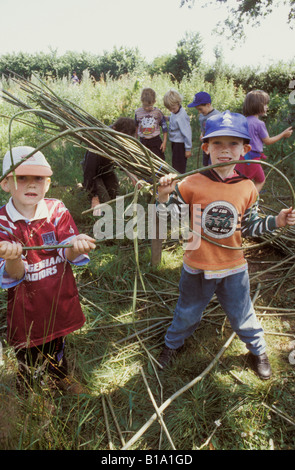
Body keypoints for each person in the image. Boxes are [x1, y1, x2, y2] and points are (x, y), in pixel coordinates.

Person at [156, 111, 295, 380]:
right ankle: (172, 345)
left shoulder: (247, 188)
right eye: (217, 144)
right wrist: (163, 197)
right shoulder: (190, 184)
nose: (224, 150)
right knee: (187, 312)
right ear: (206, 148)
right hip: (197, 266)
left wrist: (276, 221)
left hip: (233, 267)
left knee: (242, 313)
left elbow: (250, 226)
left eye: (233, 144)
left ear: (245, 149)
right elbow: (168, 221)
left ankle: (257, 349)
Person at [0, 146, 96, 393]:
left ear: (48, 184)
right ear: (5, 183)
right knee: (29, 352)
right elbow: (15, 275)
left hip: (58, 299)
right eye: (22, 178)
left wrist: (77, 245)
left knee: (58, 341)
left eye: (38, 178)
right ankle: (33, 392)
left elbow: (67, 251)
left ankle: (60, 376)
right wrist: (13, 258)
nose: (31, 185)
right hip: (27, 308)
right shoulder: (3, 223)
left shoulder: (57, 210)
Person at [235, 90, 293, 192]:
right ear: (257, 105)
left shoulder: (242, 121)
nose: (267, 107)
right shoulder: (259, 123)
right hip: (253, 159)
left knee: (240, 180)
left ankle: (243, 199)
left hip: (241, 157)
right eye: (265, 104)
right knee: (260, 180)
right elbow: (268, 141)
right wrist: (283, 134)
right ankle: (250, 199)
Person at [82, 117, 137, 214]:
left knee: (116, 197)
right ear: (115, 129)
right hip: (94, 174)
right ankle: (83, 192)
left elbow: (123, 161)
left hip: (107, 170)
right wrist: (94, 196)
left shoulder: (120, 138)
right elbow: (89, 171)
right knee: (104, 204)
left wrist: (132, 176)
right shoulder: (99, 139)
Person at [187, 91, 220, 166]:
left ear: (208, 105)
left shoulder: (217, 117)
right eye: (197, 109)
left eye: (200, 109)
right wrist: (202, 134)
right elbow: (203, 128)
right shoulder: (202, 115)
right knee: (205, 165)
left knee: (212, 165)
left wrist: (207, 138)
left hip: (214, 147)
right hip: (205, 145)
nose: (199, 112)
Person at [163, 89, 192, 174]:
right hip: (175, 142)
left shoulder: (182, 116)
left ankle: (180, 178)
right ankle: (176, 177)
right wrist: (168, 118)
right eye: (169, 109)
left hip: (181, 144)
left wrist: (188, 149)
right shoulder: (175, 112)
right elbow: (174, 118)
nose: (171, 111)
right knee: (175, 162)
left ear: (178, 103)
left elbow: (187, 133)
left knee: (179, 165)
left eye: (173, 108)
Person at [135, 88, 168, 161]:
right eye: (144, 105)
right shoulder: (138, 112)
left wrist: (164, 141)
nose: (146, 108)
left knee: (158, 160)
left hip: (155, 141)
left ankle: (159, 172)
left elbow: (164, 127)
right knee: (145, 161)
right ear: (141, 101)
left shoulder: (157, 112)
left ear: (154, 102)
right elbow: (136, 126)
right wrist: (136, 140)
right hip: (143, 141)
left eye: (149, 105)